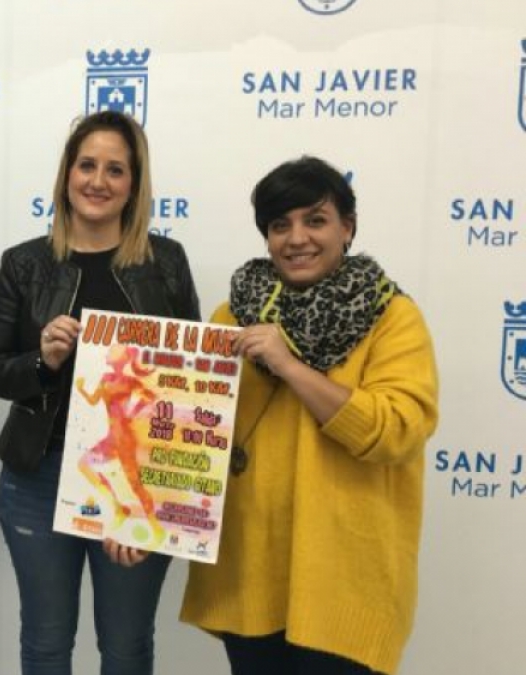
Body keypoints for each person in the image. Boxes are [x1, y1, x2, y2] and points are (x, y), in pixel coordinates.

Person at [180, 156, 439, 675]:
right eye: (281, 225)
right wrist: (139, 518)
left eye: (315, 220)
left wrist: (290, 365)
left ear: (348, 228)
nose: (297, 238)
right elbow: (190, 435)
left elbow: (397, 430)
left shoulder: (392, 317)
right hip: (250, 576)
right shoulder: (232, 316)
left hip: (344, 584)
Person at [0, 110, 201, 675]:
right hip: (39, 476)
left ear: (134, 183)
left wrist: (151, 504)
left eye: (115, 169)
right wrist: (43, 361)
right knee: (45, 644)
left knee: (126, 646)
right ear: (67, 174)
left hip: (136, 480)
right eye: (87, 165)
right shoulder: (23, 264)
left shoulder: (166, 262)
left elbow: (192, 383)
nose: (98, 181)